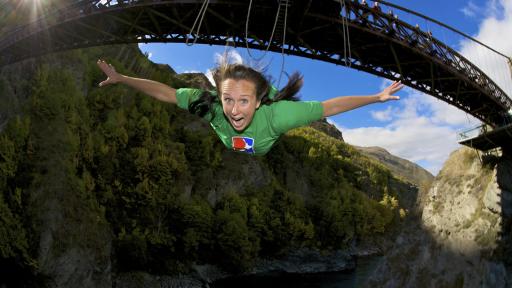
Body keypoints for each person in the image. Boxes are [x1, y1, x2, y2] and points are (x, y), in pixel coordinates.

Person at [97, 58, 403, 155]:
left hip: (263, 143)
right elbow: (165, 93)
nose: (235, 110)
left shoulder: (278, 116)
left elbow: (329, 107)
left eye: (244, 101)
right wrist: (122, 78)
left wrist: (375, 98)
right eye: (228, 99)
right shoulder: (211, 105)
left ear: (258, 101)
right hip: (234, 144)